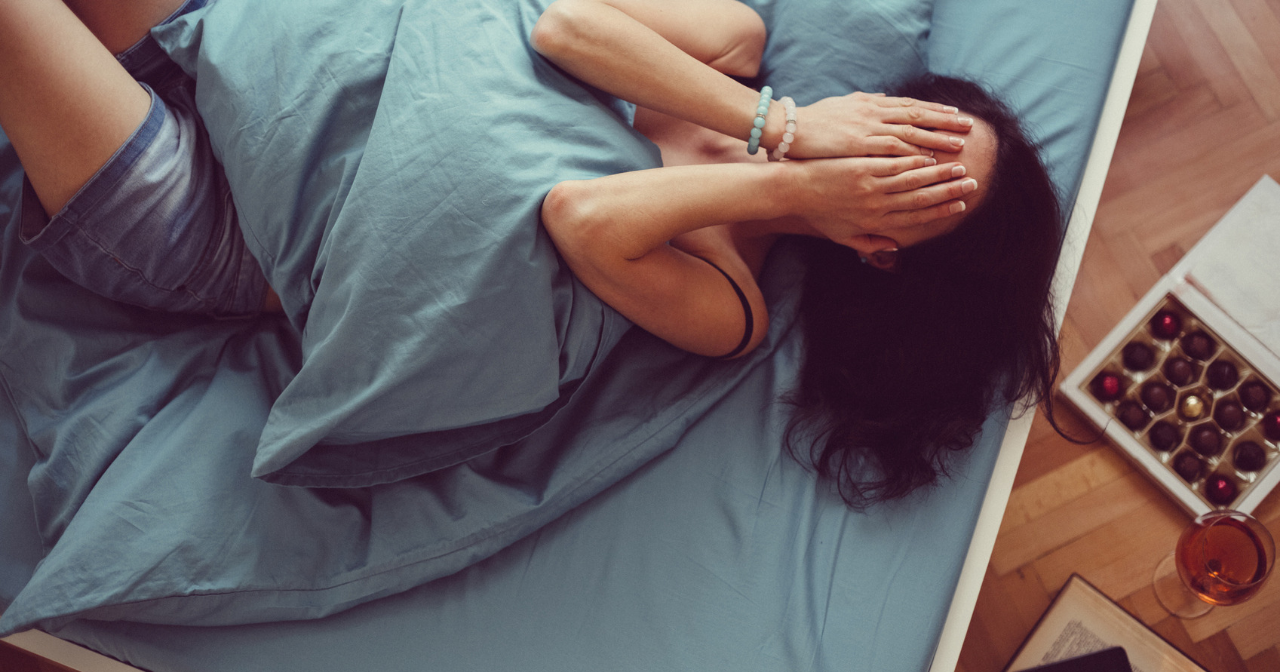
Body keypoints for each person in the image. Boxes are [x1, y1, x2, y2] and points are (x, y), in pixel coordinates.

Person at [0, 0, 1065, 508]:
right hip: (272, 43)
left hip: (223, 224)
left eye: (920, 178)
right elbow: (560, 28)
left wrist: (795, 184)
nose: (890, 145)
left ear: (883, 250)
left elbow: (584, 218)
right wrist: (781, 125)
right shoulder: (737, 45)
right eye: (912, 124)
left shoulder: (726, 308)